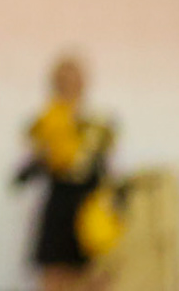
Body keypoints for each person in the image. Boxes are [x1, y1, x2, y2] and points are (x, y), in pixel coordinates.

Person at [15, 55, 119, 291]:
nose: (68, 87)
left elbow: (106, 175)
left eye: (73, 81)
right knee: (55, 280)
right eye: (62, 81)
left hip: (89, 218)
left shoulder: (98, 125)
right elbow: (22, 176)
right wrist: (45, 156)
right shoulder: (45, 123)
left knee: (96, 280)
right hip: (58, 216)